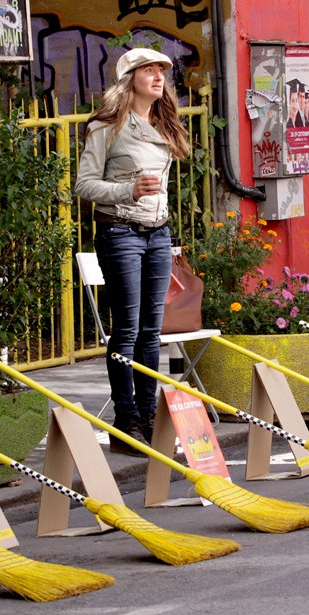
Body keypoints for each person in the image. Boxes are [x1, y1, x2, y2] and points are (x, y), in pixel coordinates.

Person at [75, 48, 191, 455]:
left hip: (158, 233)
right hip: (119, 232)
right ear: (130, 79)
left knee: (151, 332)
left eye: (162, 70)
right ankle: (125, 420)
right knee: (126, 330)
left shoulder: (163, 124)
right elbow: (83, 185)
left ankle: (148, 415)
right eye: (149, 70)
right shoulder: (107, 126)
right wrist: (127, 189)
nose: (159, 77)